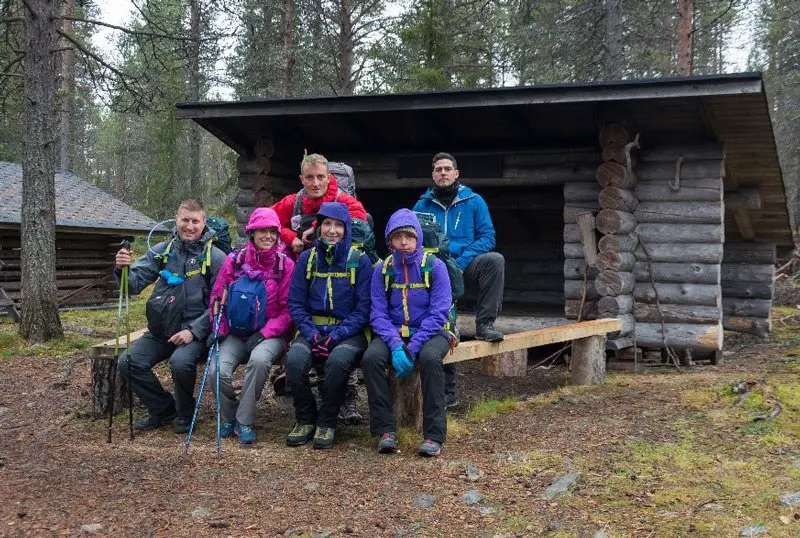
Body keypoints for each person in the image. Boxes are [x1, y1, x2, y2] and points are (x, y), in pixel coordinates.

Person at [115, 199, 227, 433]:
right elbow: (133, 285)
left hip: (195, 333)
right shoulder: (162, 251)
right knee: (128, 362)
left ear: (204, 223)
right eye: (185, 220)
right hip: (160, 331)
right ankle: (164, 409)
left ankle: (186, 413)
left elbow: (220, 305)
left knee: (180, 363)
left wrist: (193, 331)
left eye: (195, 221)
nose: (190, 226)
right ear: (176, 220)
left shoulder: (215, 258)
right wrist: (123, 269)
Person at [271, 152, 368, 424]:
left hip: (340, 271)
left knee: (339, 338)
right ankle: (300, 383)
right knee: (301, 321)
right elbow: (268, 221)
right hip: (306, 269)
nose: (315, 183)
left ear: (329, 177)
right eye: (310, 178)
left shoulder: (344, 201)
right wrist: (292, 238)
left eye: (320, 177)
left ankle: (345, 397)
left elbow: (360, 223)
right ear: (301, 179)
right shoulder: (294, 201)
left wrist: (317, 229)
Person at [413, 152, 506, 408]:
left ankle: (485, 324)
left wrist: (461, 262)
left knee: (495, 261)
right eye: (438, 169)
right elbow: (412, 240)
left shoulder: (474, 201)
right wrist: (436, 266)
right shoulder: (422, 206)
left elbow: (488, 236)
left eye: (447, 169)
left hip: (466, 263)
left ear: (456, 173)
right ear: (433, 175)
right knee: (443, 323)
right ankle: (446, 394)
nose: (443, 173)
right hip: (435, 269)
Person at [362, 209, 454, 457]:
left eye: (409, 237)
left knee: (430, 359)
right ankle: (385, 430)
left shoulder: (435, 267)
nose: (404, 242)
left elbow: (439, 313)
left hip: (433, 331)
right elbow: (377, 314)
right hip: (394, 332)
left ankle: (434, 435)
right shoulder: (382, 269)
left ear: (418, 238)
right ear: (389, 240)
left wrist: (411, 349)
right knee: (371, 359)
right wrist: (394, 345)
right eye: (397, 236)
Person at [284, 202, 372, 449]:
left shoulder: (359, 261)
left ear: (346, 229)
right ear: (319, 227)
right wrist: (312, 334)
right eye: (327, 224)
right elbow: (296, 303)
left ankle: (327, 420)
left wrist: (336, 336)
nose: (332, 231)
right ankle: (305, 418)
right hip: (312, 331)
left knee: (337, 362)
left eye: (338, 225)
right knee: (294, 362)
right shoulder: (307, 260)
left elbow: (364, 309)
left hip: (349, 333)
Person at [206, 208, 294, 446]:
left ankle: (244, 420)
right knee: (217, 370)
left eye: (272, 232)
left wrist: (264, 334)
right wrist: (218, 329)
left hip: (270, 334)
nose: (267, 236)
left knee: (258, 361)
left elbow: (289, 311)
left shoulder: (285, 265)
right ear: (251, 233)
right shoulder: (234, 261)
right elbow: (217, 299)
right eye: (261, 231)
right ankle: (229, 416)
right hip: (235, 332)